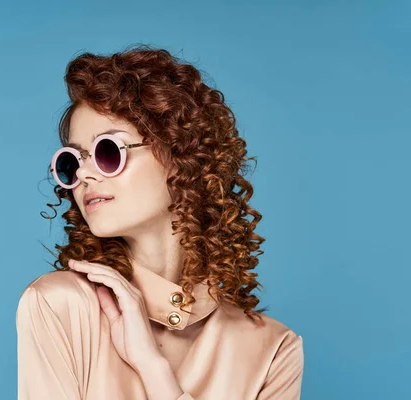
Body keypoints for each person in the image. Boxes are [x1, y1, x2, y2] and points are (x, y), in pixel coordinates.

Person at [15, 44, 304, 400]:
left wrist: (152, 366)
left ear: (180, 155)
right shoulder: (60, 305)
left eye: (108, 151)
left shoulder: (273, 350)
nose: (85, 174)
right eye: (72, 162)